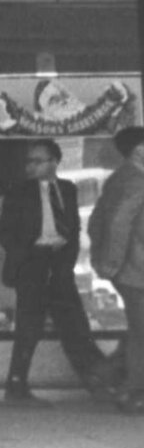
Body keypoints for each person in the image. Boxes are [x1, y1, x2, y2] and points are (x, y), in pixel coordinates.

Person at [0, 139, 113, 403]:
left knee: (75, 324)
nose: (31, 166)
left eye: (37, 161)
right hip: (32, 262)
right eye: (29, 161)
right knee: (28, 326)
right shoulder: (19, 191)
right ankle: (16, 384)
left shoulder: (67, 189)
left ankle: (98, 380)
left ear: (54, 162)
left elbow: (72, 226)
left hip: (59, 263)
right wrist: (27, 250)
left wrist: (67, 259)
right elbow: (2, 232)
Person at [88, 125, 144, 414]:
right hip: (136, 270)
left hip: (127, 269)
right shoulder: (138, 180)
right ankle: (132, 392)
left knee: (138, 329)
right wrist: (110, 263)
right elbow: (119, 222)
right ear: (139, 150)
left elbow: (97, 220)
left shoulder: (119, 177)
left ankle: (106, 373)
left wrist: (102, 260)